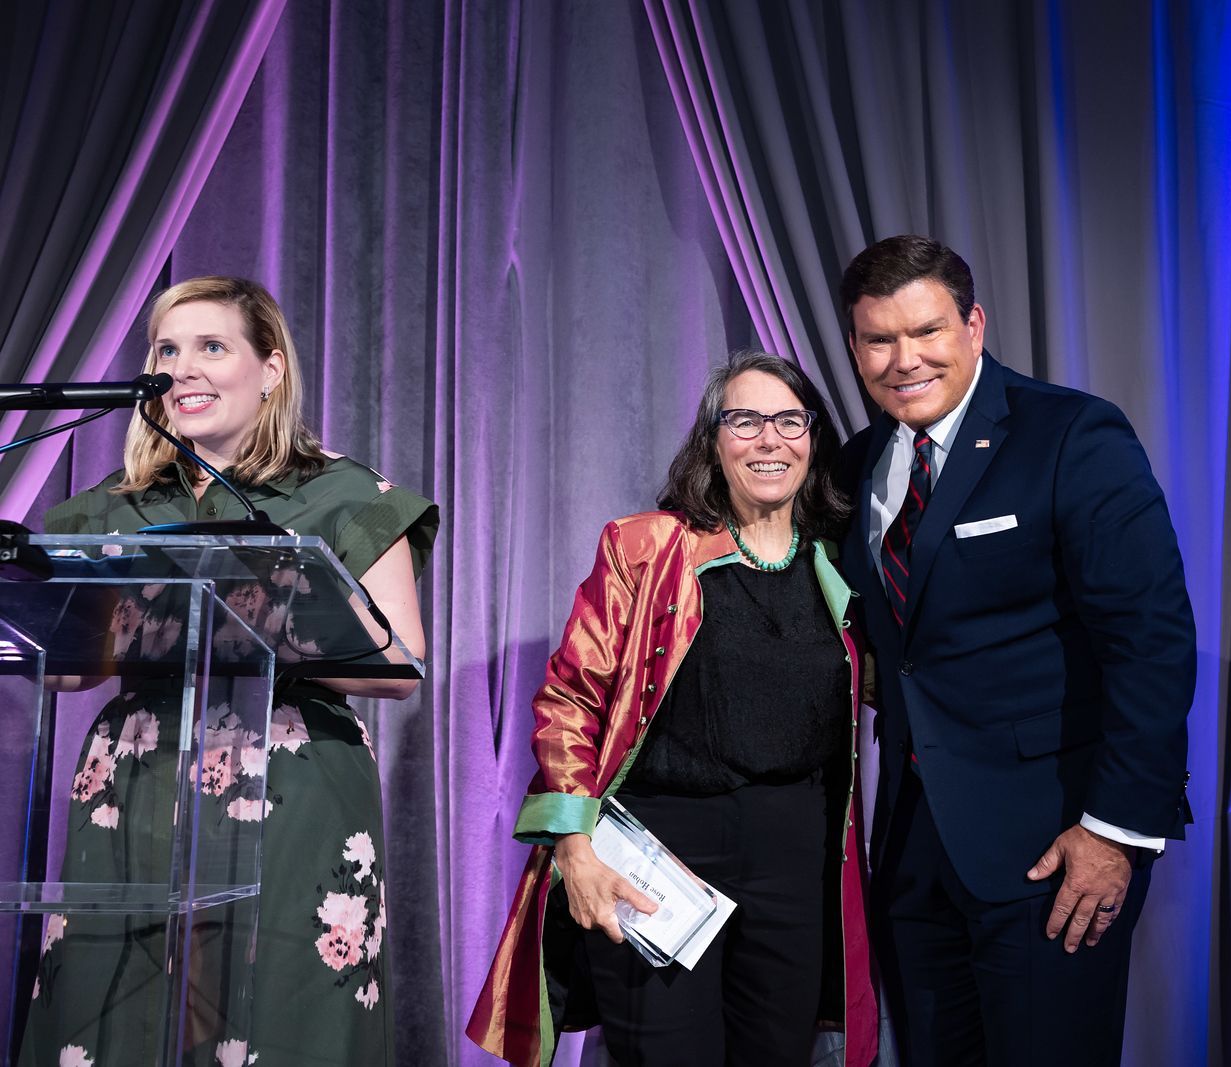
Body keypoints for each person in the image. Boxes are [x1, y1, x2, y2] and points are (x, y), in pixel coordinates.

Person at [23, 276, 438, 1066]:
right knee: (121, 1016)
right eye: (167, 350)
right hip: (134, 788)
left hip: (289, 792)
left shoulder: (345, 496)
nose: (185, 369)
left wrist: (267, 618)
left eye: (213, 346)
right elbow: (64, 676)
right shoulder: (107, 508)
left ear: (271, 369)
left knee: (280, 1012)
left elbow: (399, 668)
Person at [834, 235, 1196, 1065]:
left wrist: (1117, 832)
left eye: (925, 331)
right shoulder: (857, 463)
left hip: (1056, 847)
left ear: (974, 325)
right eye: (879, 339)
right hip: (915, 852)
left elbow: (1152, 639)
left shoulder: (1071, 433)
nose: (904, 360)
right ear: (854, 346)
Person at [468, 352, 876, 1067]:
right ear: (713, 441)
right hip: (665, 850)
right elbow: (570, 697)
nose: (769, 439)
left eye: (789, 420)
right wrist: (574, 845)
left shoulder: (838, 564)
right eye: (745, 420)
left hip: (794, 850)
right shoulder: (647, 546)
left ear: (813, 438)